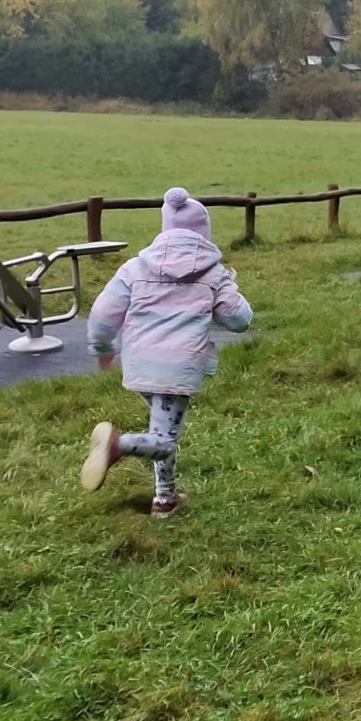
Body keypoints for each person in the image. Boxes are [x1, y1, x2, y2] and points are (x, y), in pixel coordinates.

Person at [79, 188, 253, 519]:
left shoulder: (134, 268)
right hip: (177, 370)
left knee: (161, 430)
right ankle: (118, 445)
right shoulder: (214, 274)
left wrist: (102, 347)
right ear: (204, 233)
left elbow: (102, 313)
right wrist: (230, 286)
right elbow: (240, 320)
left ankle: (165, 498)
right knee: (164, 441)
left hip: (139, 365)